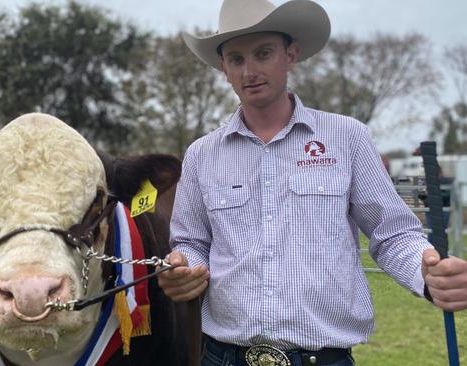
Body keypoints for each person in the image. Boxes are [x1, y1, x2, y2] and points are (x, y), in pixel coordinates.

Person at [156, 0, 467, 365]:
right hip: (223, 357)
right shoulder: (200, 155)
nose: (250, 70)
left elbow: (393, 233)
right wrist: (181, 268)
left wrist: (426, 271)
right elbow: (192, 242)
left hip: (324, 358)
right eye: (236, 59)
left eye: (264, 53)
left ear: (291, 55)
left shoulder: (347, 138)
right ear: (224, 69)